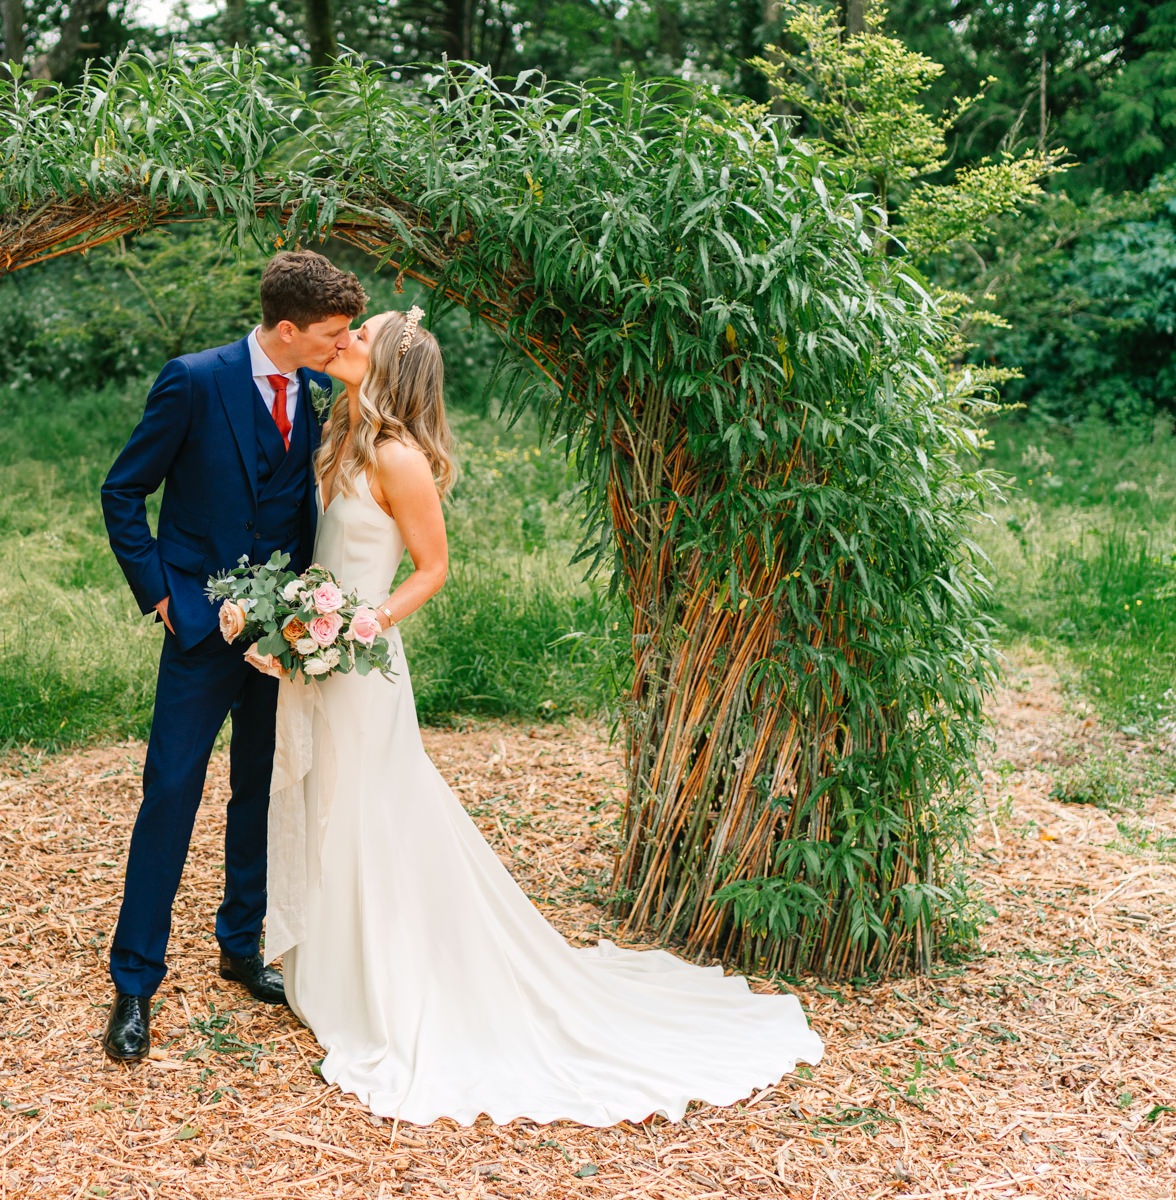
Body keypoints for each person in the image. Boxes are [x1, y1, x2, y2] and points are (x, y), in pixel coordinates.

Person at [255, 307, 825, 1126]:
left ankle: (391, 979)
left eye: (360, 336)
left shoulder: (396, 456)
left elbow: (432, 568)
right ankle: (333, 963)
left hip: (361, 663)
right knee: (334, 801)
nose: (343, 341)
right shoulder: (341, 435)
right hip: (321, 657)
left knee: (372, 808)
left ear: (389, 368)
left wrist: (355, 624)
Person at [97, 250, 368, 1062]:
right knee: (171, 793)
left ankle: (240, 946)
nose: (341, 344)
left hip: (282, 641)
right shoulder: (193, 380)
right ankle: (134, 982)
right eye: (330, 333)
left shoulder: (319, 393)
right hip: (197, 634)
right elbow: (123, 491)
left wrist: (307, 618)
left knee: (260, 790)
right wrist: (167, 600)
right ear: (286, 329)